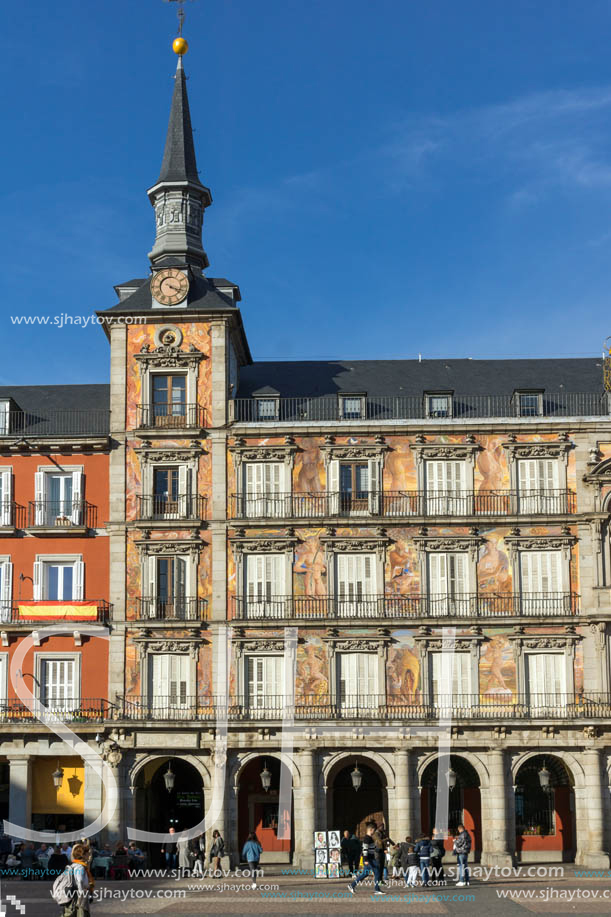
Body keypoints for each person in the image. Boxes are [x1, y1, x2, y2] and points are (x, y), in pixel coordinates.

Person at [347, 821, 386, 896]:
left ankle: (352, 885)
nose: (374, 832)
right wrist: (365, 860)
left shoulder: (369, 838)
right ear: (371, 830)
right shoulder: (367, 838)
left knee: (365, 873)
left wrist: (379, 850)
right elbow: (365, 849)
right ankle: (377, 889)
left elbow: (372, 848)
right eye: (374, 830)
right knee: (377, 872)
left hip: (370, 858)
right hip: (370, 859)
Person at [62, 843, 95, 917]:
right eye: (87, 854)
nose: (88, 856)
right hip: (79, 894)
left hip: (74, 893)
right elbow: (79, 881)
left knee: (74, 912)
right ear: (82, 855)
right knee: (81, 913)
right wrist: (81, 894)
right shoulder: (80, 867)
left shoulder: (74, 865)